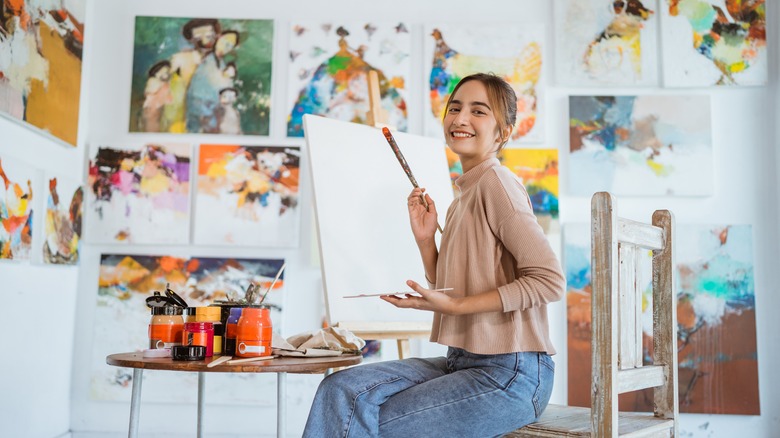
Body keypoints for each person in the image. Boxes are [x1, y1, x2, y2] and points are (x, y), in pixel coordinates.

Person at [303, 73, 565, 437]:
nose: (460, 119)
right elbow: (452, 290)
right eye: (454, 108)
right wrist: (426, 241)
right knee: (339, 390)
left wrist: (457, 308)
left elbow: (549, 280)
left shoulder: (497, 183)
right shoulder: (463, 195)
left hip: (512, 374)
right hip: (462, 362)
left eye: (478, 111)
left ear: (503, 132)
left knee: (367, 423)